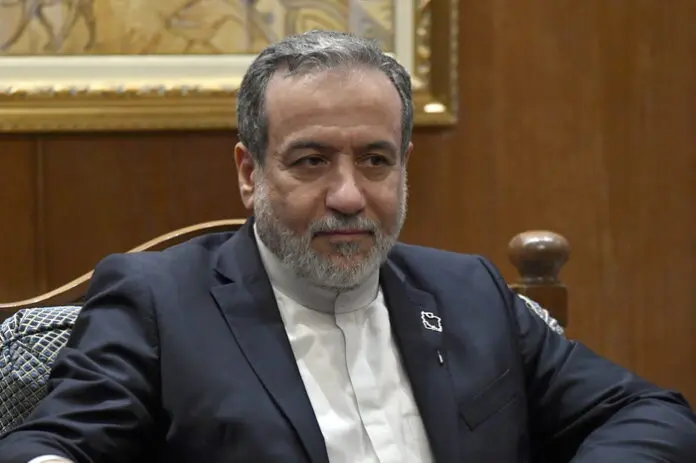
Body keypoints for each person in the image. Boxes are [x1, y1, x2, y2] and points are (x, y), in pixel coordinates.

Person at [1, 30, 695, 463]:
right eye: (311, 161)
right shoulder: (161, 301)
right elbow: (53, 444)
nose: (348, 196)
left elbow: (652, 414)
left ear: (404, 166)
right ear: (250, 172)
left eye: (374, 160)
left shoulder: (469, 293)